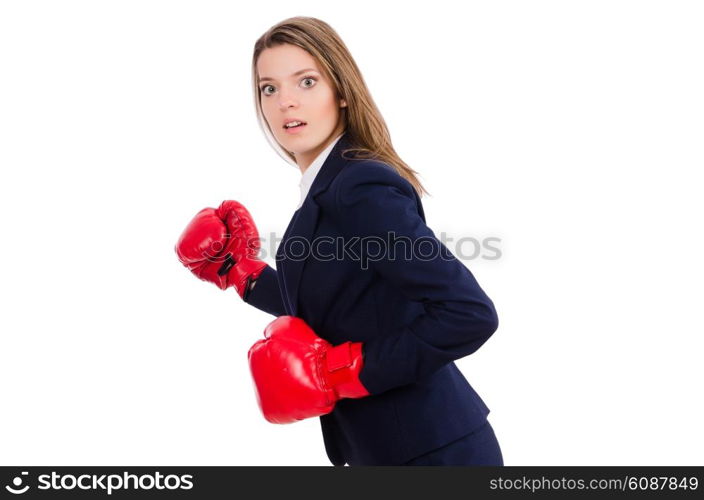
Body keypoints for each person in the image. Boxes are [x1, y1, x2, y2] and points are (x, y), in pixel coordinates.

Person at [175, 16, 503, 466]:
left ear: (341, 92)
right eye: (269, 88)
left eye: (306, 82)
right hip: (387, 449)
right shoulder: (330, 186)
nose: (286, 102)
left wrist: (347, 372)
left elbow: (468, 314)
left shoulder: (358, 186)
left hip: (432, 450)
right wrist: (239, 273)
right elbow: (337, 303)